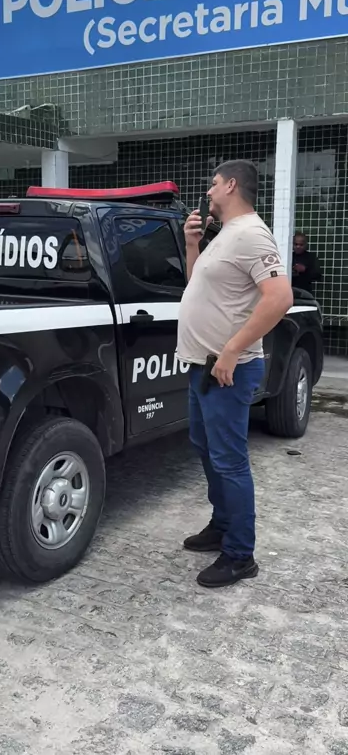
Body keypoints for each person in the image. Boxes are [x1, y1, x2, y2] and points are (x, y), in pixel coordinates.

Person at [177, 160, 293, 589]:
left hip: (228, 370)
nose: (208, 192)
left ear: (230, 185)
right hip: (203, 366)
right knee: (207, 449)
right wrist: (192, 245)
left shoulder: (251, 234)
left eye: (213, 184)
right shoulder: (224, 234)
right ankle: (222, 524)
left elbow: (280, 297)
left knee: (229, 460)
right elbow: (198, 286)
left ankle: (241, 554)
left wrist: (231, 349)